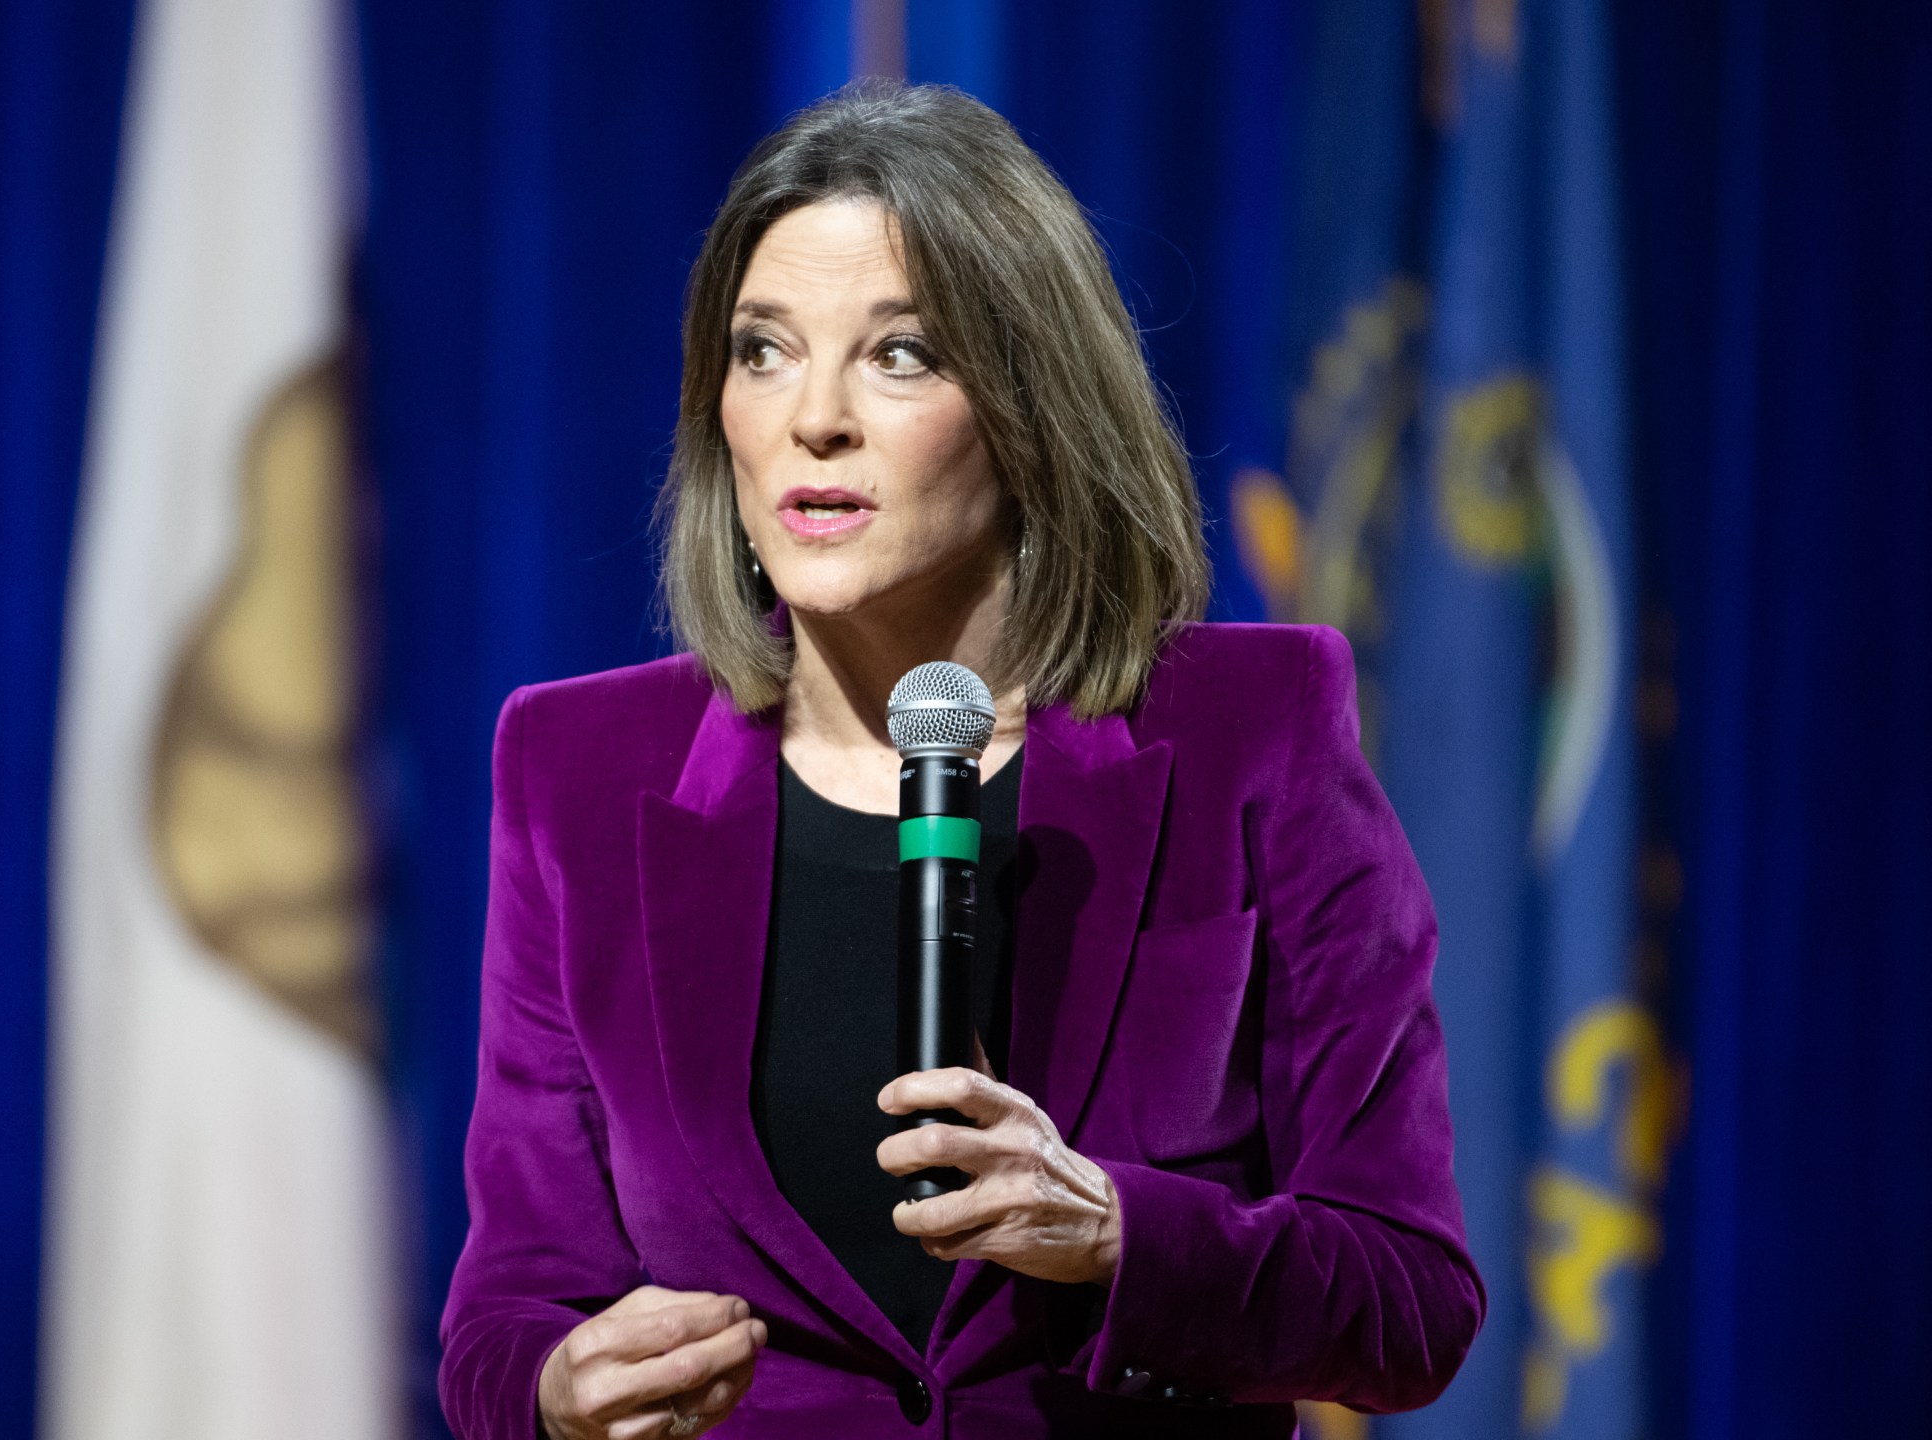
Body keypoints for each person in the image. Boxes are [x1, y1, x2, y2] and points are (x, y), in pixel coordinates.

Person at [439, 82, 1482, 1440]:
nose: (814, 418)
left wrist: (1118, 1232)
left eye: (899, 354)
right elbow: (506, 1314)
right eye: (764, 351)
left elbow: (1411, 1302)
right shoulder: (576, 769)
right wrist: (553, 1391)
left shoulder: (1254, 731)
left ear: (1031, 405)